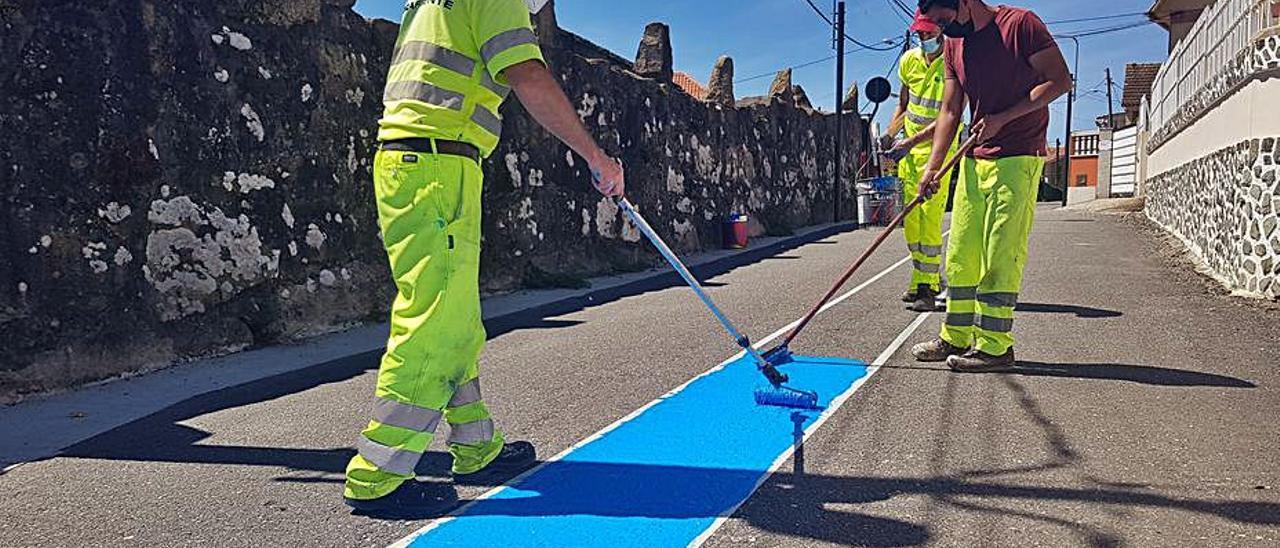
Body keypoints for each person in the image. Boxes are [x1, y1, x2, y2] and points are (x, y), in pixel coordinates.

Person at [344, 0, 625, 518]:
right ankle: (379, 475)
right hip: (438, 165)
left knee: (455, 316)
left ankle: (475, 446)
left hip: (420, 162)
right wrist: (596, 156)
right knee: (435, 325)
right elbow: (528, 76)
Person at [909, 0, 1071, 372]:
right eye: (932, 24)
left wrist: (1004, 117)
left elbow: (1060, 80)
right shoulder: (954, 42)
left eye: (943, 19)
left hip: (1018, 155)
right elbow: (951, 110)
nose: (940, 30)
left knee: (1001, 253)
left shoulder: (1020, 25)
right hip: (973, 157)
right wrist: (932, 169)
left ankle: (995, 348)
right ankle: (956, 336)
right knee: (961, 253)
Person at [881, 10, 961, 313]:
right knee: (911, 222)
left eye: (929, 34)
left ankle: (929, 289)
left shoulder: (954, 63)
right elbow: (904, 103)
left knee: (928, 220)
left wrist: (909, 141)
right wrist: (890, 134)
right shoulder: (909, 61)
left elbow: (947, 115)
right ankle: (919, 280)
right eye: (920, 34)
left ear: (941, 31)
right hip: (909, 156)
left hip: (938, 154)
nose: (924, 38)